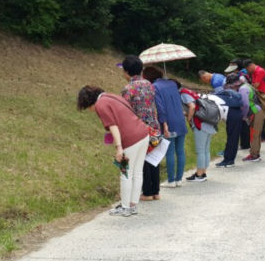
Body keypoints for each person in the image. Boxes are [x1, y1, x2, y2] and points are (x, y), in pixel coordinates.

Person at [77, 85, 149, 217]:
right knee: (138, 172)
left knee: (125, 174)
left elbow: (113, 126)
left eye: (87, 108)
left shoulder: (100, 105)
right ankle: (133, 205)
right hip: (143, 134)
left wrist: (119, 147)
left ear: (89, 102)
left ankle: (125, 207)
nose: (90, 110)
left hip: (130, 140)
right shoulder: (112, 96)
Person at [120, 55, 161, 201]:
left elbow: (125, 111)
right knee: (153, 159)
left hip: (140, 128)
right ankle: (156, 191)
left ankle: (147, 192)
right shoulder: (149, 84)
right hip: (154, 126)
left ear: (126, 71)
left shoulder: (128, 88)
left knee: (141, 161)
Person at [143, 66, 188, 188]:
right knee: (180, 151)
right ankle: (179, 179)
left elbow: (161, 108)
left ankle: (171, 180)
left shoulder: (155, 87)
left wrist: (165, 125)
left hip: (169, 122)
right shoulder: (172, 84)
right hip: (180, 120)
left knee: (170, 152)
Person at [173, 80, 214, 182]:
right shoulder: (188, 90)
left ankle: (199, 175)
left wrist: (189, 118)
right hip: (207, 121)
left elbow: (192, 106)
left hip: (200, 123)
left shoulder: (183, 94)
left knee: (200, 150)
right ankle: (203, 172)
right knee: (205, 149)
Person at [215, 74, 246, 168]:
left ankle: (228, 160)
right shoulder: (239, 91)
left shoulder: (226, 91)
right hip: (237, 113)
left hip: (231, 113)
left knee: (232, 138)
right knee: (233, 138)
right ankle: (229, 159)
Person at [236, 74, 263, 162]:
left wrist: (244, 116)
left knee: (254, 134)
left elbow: (245, 104)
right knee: (256, 134)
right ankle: (255, 154)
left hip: (254, 112)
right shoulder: (248, 86)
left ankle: (254, 155)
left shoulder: (243, 88)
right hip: (258, 110)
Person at [244, 59, 265, 145]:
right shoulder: (254, 72)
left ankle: (263, 136)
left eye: (248, 69)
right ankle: (261, 135)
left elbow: (256, 85)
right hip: (258, 94)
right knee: (257, 115)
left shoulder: (259, 71)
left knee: (260, 115)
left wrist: (246, 87)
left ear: (250, 66)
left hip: (262, 95)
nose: (248, 71)